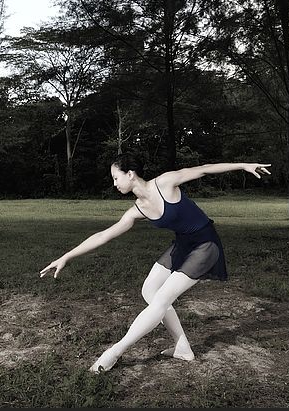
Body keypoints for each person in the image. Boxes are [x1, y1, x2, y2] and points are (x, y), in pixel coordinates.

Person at [39, 153, 271, 373]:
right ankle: (182, 348)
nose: (114, 184)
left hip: (205, 244)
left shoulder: (165, 182)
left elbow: (204, 170)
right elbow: (103, 235)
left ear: (130, 174)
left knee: (161, 299)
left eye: (115, 177)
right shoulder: (137, 210)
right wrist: (66, 256)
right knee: (149, 289)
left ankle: (114, 352)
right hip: (182, 245)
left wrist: (244, 165)